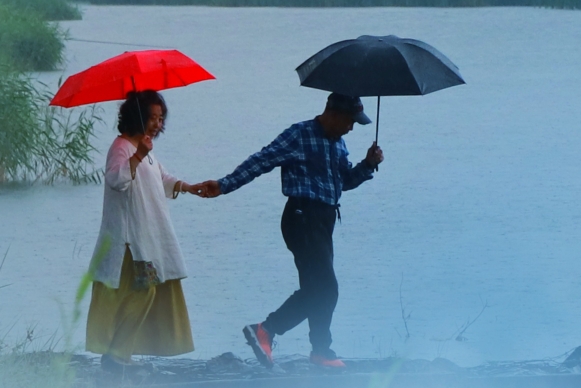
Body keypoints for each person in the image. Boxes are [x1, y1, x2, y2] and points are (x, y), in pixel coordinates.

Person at [190, 90, 382, 369]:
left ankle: (319, 351)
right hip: (301, 217)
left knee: (317, 287)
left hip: (324, 221)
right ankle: (267, 330)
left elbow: (344, 182)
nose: (352, 128)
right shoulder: (299, 134)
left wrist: (368, 165)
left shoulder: (339, 144)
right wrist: (224, 184)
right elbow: (262, 160)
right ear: (335, 113)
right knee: (326, 288)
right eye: (351, 121)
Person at [81, 90, 195, 360]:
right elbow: (116, 180)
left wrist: (188, 187)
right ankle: (117, 354)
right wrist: (138, 155)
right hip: (128, 242)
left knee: (144, 293)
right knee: (144, 292)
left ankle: (121, 354)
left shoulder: (144, 149)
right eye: (152, 118)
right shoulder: (122, 148)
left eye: (160, 118)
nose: (157, 124)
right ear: (138, 117)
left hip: (145, 239)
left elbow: (161, 177)